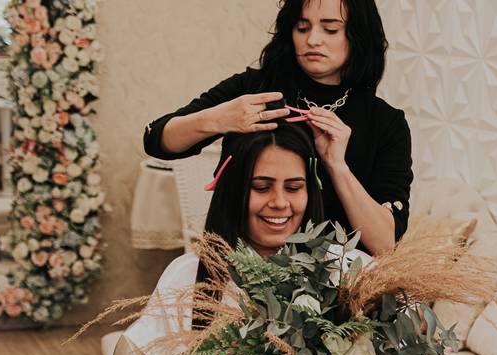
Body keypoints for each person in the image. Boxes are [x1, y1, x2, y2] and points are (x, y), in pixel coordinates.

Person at [143, 0, 412, 256]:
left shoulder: (385, 123)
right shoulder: (254, 88)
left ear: (358, 35)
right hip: (239, 267)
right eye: (302, 27)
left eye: (330, 29)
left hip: (335, 281)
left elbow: (385, 245)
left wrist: (337, 166)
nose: (312, 40)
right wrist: (218, 119)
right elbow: (156, 140)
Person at [116, 123, 328, 355]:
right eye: (261, 187)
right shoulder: (189, 277)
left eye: (293, 188)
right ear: (233, 190)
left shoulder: (344, 267)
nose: (280, 202)